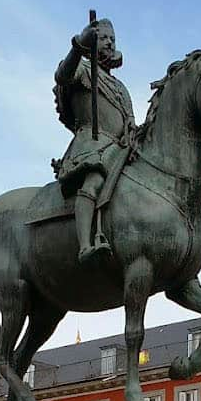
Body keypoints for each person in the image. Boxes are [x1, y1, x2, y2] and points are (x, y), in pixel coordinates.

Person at [52, 16, 136, 264]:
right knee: (94, 181)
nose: (110, 42)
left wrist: (132, 130)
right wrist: (79, 44)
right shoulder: (81, 68)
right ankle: (85, 245)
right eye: (104, 38)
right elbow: (62, 76)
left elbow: (130, 121)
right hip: (92, 145)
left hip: (119, 150)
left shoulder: (121, 88)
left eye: (113, 39)